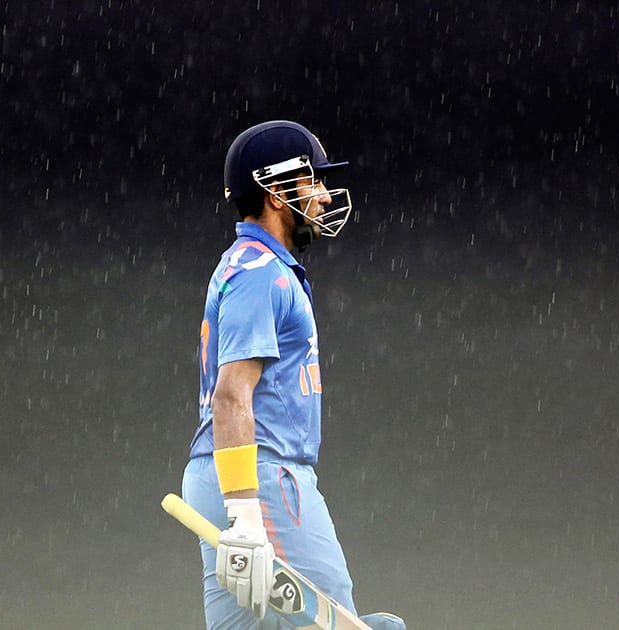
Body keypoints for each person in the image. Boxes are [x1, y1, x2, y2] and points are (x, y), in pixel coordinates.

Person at [181, 120, 405, 630]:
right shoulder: (261, 273)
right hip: (262, 475)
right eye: (314, 181)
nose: (325, 197)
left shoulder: (253, 267)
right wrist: (245, 516)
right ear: (277, 192)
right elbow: (231, 395)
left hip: (235, 473)